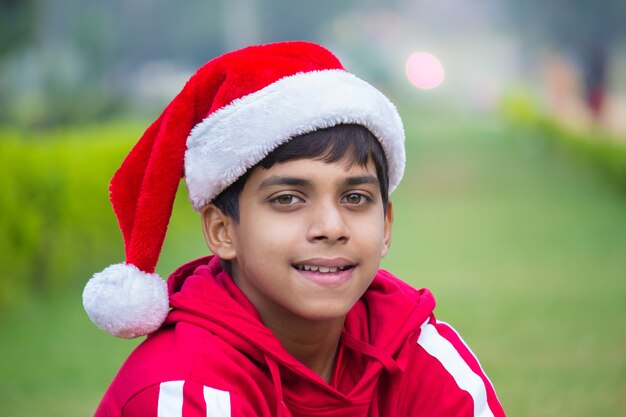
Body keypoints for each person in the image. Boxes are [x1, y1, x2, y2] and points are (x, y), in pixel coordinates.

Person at [83, 41, 505, 417]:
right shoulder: (186, 390)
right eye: (288, 199)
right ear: (222, 229)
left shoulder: (419, 351)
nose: (330, 227)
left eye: (355, 198)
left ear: (387, 224)